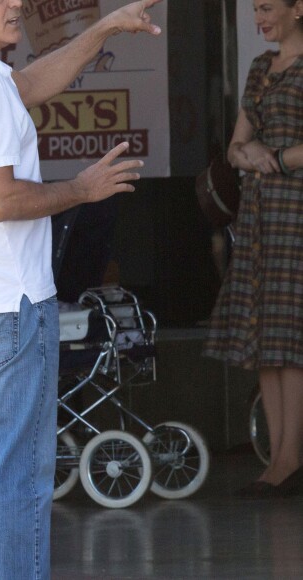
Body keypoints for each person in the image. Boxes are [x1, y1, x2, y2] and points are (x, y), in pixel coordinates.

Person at [0, 1, 161, 578]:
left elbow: (26, 85)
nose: (16, 2)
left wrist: (104, 28)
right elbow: (1, 201)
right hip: (7, 309)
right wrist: (83, 189)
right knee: (14, 478)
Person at [204, 0, 303, 499]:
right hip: (262, 213)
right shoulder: (261, 67)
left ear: (297, 8)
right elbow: (235, 147)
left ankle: (289, 457)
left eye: (266, 7)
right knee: (269, 336)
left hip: (298, 209)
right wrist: (250, 153)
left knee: (293, 339)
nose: (259, 17)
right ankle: (278, 457)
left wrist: (278, 159)